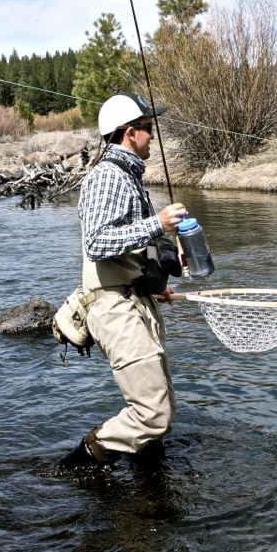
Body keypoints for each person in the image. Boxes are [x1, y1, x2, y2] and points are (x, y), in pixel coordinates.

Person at [60, 92, 187, 469]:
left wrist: (155, 286)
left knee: (162, 406)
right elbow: (97, 242)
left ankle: (148, 486)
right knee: (152, 413)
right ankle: (75, 468)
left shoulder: (128, 176)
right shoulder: (107, 176)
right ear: (130, 133)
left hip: (136, 300)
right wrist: (158, 224)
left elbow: (129, 247)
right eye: (149, 128)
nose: (153, 135)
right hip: (115, 308)